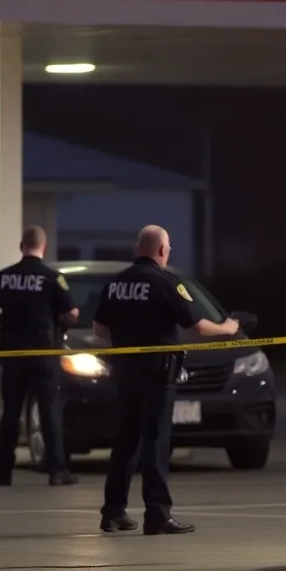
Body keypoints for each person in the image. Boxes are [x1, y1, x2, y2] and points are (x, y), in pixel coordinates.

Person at [93, 225, 240, 535]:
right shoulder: (166, 282)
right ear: (162, 250)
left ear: (138, 249)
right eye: (168, 247)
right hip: (157, 373)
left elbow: (100, 329)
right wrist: (228, 328)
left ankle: (113, 512)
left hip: (125, 373)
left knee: (126, 441)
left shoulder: (116, 283)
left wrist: (126, 344)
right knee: (156, 442)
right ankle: (157, 514)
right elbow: (198, 326)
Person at [0, 226, 80, 487]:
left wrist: (5, 322)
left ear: (22, 246)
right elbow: (72, 314)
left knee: (11, 412)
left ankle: (3, 470)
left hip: (13, 353)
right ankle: (57, 470)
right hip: (44, 353)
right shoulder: (52, 278)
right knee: (49, 411)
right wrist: (57, 326)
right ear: (44, 247)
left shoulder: (5, 277)